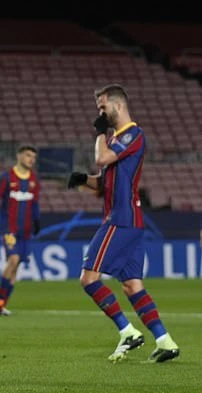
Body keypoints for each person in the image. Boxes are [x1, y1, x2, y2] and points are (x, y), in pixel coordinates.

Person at [67, 83, 179, 363]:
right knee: (131, 285)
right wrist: (84, 180)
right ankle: (165, 341)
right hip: (130, 220)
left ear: (117, 105)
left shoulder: (132, 134)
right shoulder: (118, 140)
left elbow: (101, 157)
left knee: (88, 278)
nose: (100, 112)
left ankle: (127, 332)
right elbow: (105, 183)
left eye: (103, 106)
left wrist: (99, 133)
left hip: (120, 218)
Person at [0, 145, 40, 316]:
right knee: (13, 259)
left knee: (16, 267)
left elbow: (35, 203)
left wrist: (37, 221)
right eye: (28, 155)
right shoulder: (7, 177)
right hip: (9, 229)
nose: (31, 160)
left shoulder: (34, 179)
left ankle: (1, 304)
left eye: (34, 157)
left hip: (25, 231)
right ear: (19, 156)